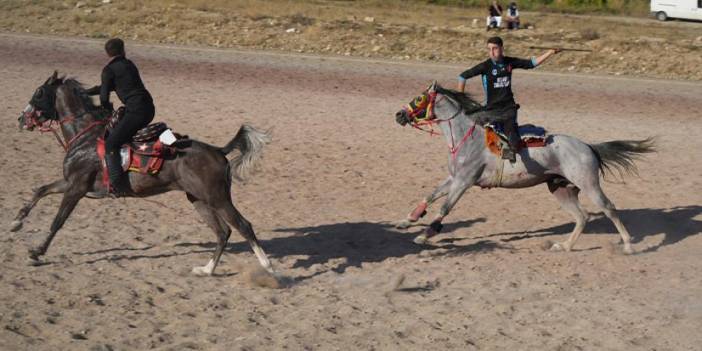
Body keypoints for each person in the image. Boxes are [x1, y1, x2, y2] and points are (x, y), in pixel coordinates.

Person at [457, 36, 559, 162]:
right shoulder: (485, 66)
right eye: (489, 49)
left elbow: (532, 64)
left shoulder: (509, 62)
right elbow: (462, 77)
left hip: (508, 109)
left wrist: (550, 52)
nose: (492, 52)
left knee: (513, 143)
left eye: (495, 48)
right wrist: (460, 100)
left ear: (502, 48)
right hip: (490, 110)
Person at [86, 38, 155, 196]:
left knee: (111, 144)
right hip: (148, 107)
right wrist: (86, 92)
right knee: (122, 134)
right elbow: (105, 87)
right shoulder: (129, 64)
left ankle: (117, 184)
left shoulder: (108, 70)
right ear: (123, 50)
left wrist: (105, 108)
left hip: (136, 111)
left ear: (107, 53)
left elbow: (104, 96)